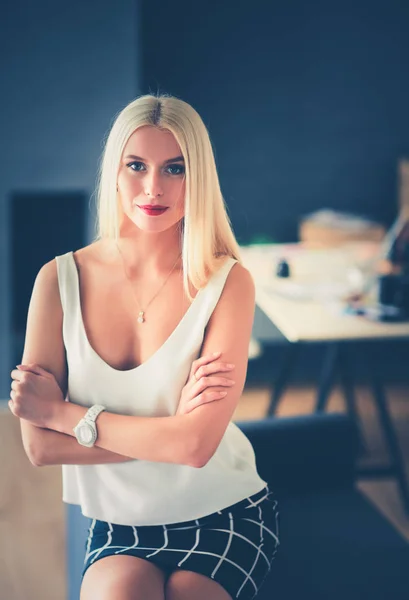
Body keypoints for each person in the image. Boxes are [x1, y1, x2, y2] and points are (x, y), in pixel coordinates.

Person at [9, 93, 280, 600]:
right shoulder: (58, 281)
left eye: (175, 169)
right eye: (137, 165)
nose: (153, 188)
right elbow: (40, 448)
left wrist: (63, 413)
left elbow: (196, 449)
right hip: (120, 526)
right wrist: (168, 434)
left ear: (197, 177)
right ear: (115, 171)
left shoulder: (227, 282)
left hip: (223, 512)